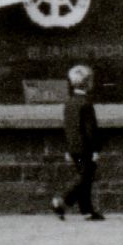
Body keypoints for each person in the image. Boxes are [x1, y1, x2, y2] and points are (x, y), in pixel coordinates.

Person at [50, 62, 104, 220]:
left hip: (73, 146)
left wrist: (68, 148)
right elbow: (90, 130)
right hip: (85, 147)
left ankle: (87, 210)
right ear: (87, 83)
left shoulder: (70, 103)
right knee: (85, 177)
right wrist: (95, 149)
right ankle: (62, 201)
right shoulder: (86, 103)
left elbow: (69, 127)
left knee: (84, 177)